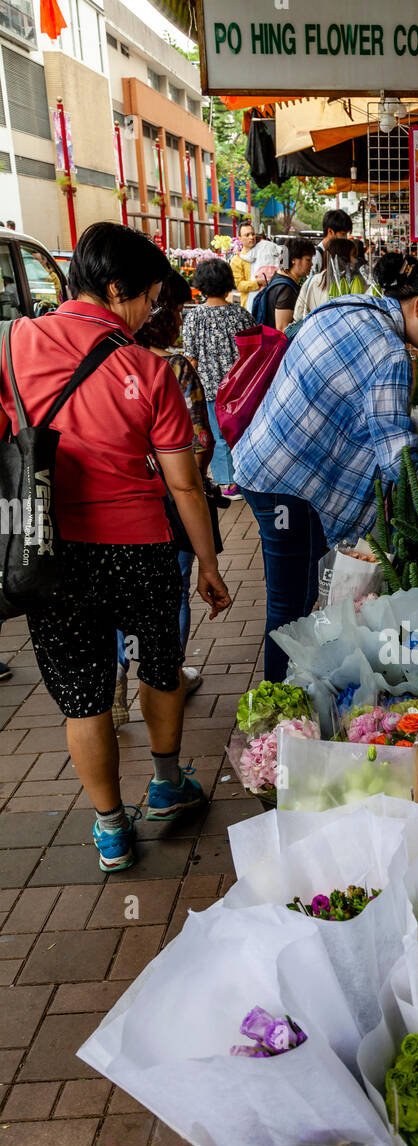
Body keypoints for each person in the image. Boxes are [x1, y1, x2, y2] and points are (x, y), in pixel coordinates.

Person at [0, 221, 232, 872]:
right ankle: (166, 784)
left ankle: (110, 829)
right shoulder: (145, 370)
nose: (152, 310)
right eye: (149, 296)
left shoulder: (12, 344)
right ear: (115, 288)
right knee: (159, 662)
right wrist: (208, 562)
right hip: (139, 546)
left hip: (50, 552)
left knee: (82, 693)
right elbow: (184, 485)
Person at [233, 256, 418, 680]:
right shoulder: (390, 353)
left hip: (267, 462)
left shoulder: (349, 308)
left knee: (298, 595)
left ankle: (288, 701)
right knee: (288, 610)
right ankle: (275, 717)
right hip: (287, 481)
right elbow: (396, 453)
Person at [113, 273, 216, 727]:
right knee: (171, 595)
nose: (179, 318)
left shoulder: (110, 362)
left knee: (117, 601)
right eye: (175, 308)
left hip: (114, 513)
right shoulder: (173, 368)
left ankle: (117, 674)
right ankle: (168, 673)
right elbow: (198, 445)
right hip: (168, 513)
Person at [183, 257, 255, 497]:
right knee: (242, 433)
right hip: (241, 389)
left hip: (209, 389)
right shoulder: (241, 314)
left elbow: (190, 358)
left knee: (218, 437)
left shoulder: (194, 317)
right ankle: (247, 477)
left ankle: (227, 483)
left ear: (201, 285)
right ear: (228, 283)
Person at [254, 236, 314, 330]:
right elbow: (282, 329)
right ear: (294, 259)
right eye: (308, 260)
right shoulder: (286, 290)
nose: (312, 264)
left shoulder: (278, 276)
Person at [293, 238, 354, 323]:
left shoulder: (312, 281)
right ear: (343, 258)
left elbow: (298, 315)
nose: (355, 260)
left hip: (315, 333)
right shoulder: (352, 284)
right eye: (353, 255)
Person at [310, 207, 353, 275]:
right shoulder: (317, 255)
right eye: (343, 234)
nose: (345, 237)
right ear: (330, 231)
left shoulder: (338, 252)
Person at [230, 222, 259, 307]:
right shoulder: (237, 260)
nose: (251, 237)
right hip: (250, 305)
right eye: (247, 235)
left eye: (253, 234)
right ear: (240, 238)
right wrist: (258, 283)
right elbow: (239, 285)